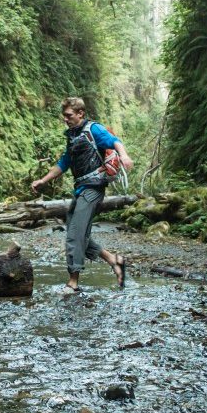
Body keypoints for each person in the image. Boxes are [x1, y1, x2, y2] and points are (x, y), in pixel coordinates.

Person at [30, 97, 134, 293]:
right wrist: (43, 180)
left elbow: (115, 142)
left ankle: (73, 282)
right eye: (64, 116)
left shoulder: (93, 129)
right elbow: (64, 162)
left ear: (80, 114)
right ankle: (114, 260)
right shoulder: (72, 135)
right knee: (77, 234)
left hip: (93, 188)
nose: (65, 119)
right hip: (80, 189)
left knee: (75, 234)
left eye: (69, 116)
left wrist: (125, 155)